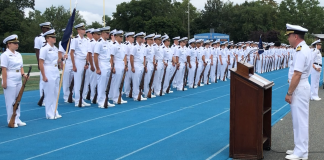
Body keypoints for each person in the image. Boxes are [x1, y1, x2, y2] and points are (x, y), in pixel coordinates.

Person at [284, 24, 311, 160]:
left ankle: (301, 152)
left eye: (289, 36)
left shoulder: (301, 51)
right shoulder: (303, 49)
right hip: (300, 87)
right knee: (298, 120)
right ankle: (300, 149)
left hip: (299, 88)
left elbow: (297, 74)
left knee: (300, 121)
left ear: (295, 36)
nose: (288, 39)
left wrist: (289, 93)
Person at [1, 35, 28, 127]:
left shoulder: (18, 54)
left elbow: (21, 67)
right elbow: (4, 69)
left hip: (18, 77)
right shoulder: (5, 55)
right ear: (9, 44)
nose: (17, 45)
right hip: (10, 77)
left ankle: (17, 118)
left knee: (18, 99)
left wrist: (23, 74)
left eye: (17, 43)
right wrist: (4, 82)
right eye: (15, 43)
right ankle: (10, 119)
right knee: (10, 101)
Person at [39, 29, 62, 119]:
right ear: (47, 38)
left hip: (55, 69)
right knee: (49, 93)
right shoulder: (44, 49)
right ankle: (49, 113)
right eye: (52, 37)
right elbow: (41, 63)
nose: (54, 38)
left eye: (54, 37)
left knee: (56, 92)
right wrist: (44, 76)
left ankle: (55, 110)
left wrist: (62, 59)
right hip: (48, 69)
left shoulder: (55, 48)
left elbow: (56, 60)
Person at [93, 27, 115, 108]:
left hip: (107, 64)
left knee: (106, 84)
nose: (108, 34)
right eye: (106, 33)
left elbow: (109, 56)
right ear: (102, 33)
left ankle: (105, 100)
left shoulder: (108, 43)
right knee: (101, 84)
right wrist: (97, 68)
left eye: (108, 33)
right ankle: (100, 101)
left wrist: (111, 65)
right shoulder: (99, 43)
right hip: (102, 64)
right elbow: (95, 56)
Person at [70, 23, 91, 107]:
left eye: (84, 29)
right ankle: (77, 101)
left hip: (84, 61)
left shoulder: (86, 40)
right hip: (78, 61)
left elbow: (88, 53)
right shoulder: (75, 40)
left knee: (84, 81)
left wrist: (87, 63)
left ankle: (82, 99)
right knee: (78, 82)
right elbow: (71, 53)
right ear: (78, 30)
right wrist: (74, 65)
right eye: (82, 29)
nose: (84, 30)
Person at [34, 22, 51, 106]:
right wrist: (38, 63)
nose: (48, 30)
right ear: (42, 28)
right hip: (42, 61)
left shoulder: (50, 37)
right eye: (46, 28)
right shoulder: (39, 38)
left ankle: (48, 97)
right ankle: (42, 98)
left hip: (49, 62)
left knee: (49, 80)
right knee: (42, 80)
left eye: (49, 28)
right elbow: (37, 51)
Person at [110, 30, 128, 104]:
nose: (121, 38)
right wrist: (112, 67)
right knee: (116, 83)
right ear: (116, 37)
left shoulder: (123, 46)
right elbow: (111, 57)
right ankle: (115, 98)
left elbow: (124, 56)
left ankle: (119, 97)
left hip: (121, 64)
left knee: (121, 82)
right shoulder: (114, 46)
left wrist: (125, 65)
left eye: (122, 36)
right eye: (120, 36)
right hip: (116, 64)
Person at [130, 32, 147, 101]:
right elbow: (131, 57)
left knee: (140, 81)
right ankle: (136, 96)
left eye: (143, 38)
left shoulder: (142, 47)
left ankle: (139, 94)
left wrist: (144, 65)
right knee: (136, 81)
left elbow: (143, 57)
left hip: (141, 65)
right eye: (141, 38)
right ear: (137, 38)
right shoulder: (134, 46)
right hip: (136, 65)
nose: (142, 39)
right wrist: (132, 67)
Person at [59, 29, 74, 103]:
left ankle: (71, 95)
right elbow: (60, 53)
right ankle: (66, 96)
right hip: (66, 62)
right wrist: (61, 63)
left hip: (72, 62)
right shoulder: (62, 42)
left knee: (72, 80)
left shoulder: (73, 41)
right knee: (66, 80)